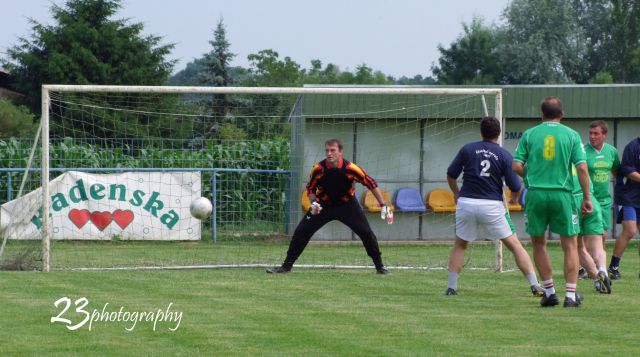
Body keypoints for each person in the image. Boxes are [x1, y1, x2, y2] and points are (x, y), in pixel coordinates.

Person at [445, 116, 544, 297]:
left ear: (481, 132)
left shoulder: (467, 149)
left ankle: (451, 288)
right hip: (492, 205)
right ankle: (534, 285)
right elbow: (515, 185)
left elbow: (451, 174)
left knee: (460, 245)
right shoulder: (504, 154)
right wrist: (513, 199)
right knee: (515, 245)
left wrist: (456, 193)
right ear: (499, 133)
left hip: (466, 203)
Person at [267, 138, 392, 274]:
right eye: (327, 150)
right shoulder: (318, 169)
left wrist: (383, 204)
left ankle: (380, 267)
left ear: (340, 152)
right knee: (301, 232)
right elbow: (310, 189)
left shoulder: (351, 169)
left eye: (333, 150)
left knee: (366, 233)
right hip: (323, 205)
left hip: (347, 205)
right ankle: (286, 267)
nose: (329, 153)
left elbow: (370, 183)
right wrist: (313, 203)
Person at [512, 97, 593, 308]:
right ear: (562, 114)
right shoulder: (572, 135)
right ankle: (570, 295)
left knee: (539, 243)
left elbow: (516, 165)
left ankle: (549, 292)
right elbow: (582, 168)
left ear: (541, 114)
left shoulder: (530, 134)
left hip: (537, 194)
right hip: (563, 194)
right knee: (570, 244)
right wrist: (586, 197)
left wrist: (530, 177)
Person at [578, 120, 619, 281]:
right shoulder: (583, 151)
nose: (592, 137)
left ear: (604, 135)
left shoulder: (612, 151)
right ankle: (587, 269)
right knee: (590, 236)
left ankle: (596, 269)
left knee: (601, 236)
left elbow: (616, 170)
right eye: (590, 133)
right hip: (588, 199)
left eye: (596, 133)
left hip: (604, 201)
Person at [570, 164, 612, 294]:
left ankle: (597, 279)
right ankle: (603, 271)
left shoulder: (559, 156)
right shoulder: (579, 155)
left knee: (578, 248)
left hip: (572, 202)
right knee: (598, 248)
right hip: (590, 200)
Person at [608, 136, 640, 279]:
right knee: (630, 230)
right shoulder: (632, 146)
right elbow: (627, 170)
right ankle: (613, 267)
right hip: (627, 197)